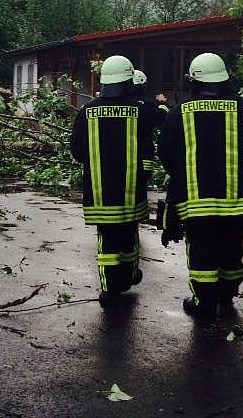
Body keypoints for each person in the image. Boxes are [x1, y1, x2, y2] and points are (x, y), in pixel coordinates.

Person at [157, 53, 243, 319]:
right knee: (232, 244)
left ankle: (203, 301)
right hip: (236, 201)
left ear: (194, 80)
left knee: (201, 249)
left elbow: (166, 154)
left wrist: (183, 176)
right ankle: (227, 292)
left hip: (197, 201)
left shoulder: (179, 113)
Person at [70, 55, 155, 306]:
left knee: (107, 241)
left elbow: (77, 152)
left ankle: (109, 290)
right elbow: (158, 126)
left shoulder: (86, 112)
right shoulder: (140, 110)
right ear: (129, 81)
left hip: (100, 193)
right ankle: (129, 276)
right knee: (129, 236)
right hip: (131, 192)